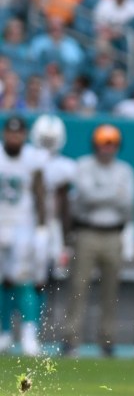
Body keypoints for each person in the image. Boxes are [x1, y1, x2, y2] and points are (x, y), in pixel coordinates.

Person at [64, 124, 134, 357]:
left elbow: (128, 203)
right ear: (95, 144)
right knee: (78, 287)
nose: (107, 148)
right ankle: (71, 339)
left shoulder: (125, 170)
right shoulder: (83, 164)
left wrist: (100, 194)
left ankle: (107, 340)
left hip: (114, 233)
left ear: (118, 146)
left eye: (112, 143)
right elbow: (86, 196)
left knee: (111, 290)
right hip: (87, 231)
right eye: (103, 143)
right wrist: (113, 194)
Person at [0, 116, 46, 356]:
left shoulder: (32, 159)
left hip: (22, 227)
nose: (14, 137)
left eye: (18, 133)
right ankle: (4, 332)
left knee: (24, 280)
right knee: (2, 282)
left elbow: (40, 194)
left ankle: (29, 333)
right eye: (10, 132)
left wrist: (42, 227)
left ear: (25, 135)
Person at [30, 115, 76, 331]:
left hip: (51, 226)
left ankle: (38, 325)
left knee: (48, 278)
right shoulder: (25, 159)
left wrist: (66, 239)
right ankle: (12, 327)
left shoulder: (65, 166)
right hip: (25, 222)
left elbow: (64, 205)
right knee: (16, 275)